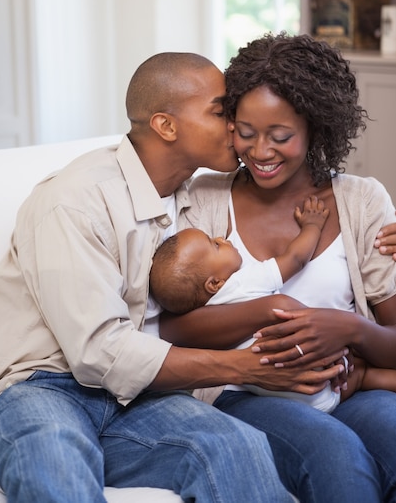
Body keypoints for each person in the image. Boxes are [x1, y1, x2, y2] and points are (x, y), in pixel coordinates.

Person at [0, 52, 300, 503]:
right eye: (221, 111)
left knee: (236, 446)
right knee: (56, 463)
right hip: (41, 385)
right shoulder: (75, 200)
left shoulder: (195, 203)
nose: (238, 124)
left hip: (134, 399)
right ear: (166, 126)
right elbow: (98, 352)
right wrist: (242, 367)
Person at [159, 33, 396, 502]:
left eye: (280, 136)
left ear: (316, 127)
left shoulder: (362, 201)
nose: (261, 151)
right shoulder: (204, 199)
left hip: (344, 389)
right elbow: (168, 327)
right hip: (243, 393)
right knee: (335, 457)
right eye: (246, 132)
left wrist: (347, 328)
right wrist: (272, 308)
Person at [150, 206, 396, 412]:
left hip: (287, 392)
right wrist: (312, 226)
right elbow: (295, 258)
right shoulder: (244, 280)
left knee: (361, 378)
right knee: (361, 374)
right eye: (215, 245)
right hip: (315, 371)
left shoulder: (206, 307)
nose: (222, 239)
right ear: (214, 283)